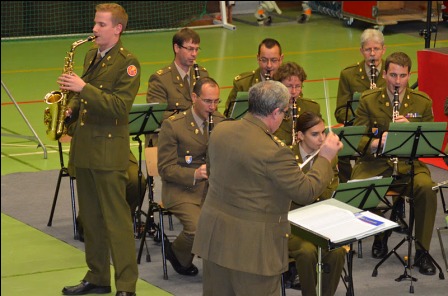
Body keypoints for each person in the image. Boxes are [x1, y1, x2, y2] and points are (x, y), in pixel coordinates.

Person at [192, 81, 343, 295]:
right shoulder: (275, 152)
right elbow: (306, 191)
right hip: (254, 250)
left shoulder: (221, 130)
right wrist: (326, 158)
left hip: (215, 238)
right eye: (284, 112)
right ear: (274, 113)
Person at [57, 3, 140, 296]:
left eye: (101, 25)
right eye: (95, 23)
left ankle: (127, 285)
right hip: (85, 149)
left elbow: (119, 107)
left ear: (117, 29)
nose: (94, 29)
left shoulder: (128, 63)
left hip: (108, 152)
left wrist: (83, 89)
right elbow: (85, 99)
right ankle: (98, 277)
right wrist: (71, 108)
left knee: (116, 223)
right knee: (91, 220)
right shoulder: (92, 54)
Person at [352, 52, 437, 275]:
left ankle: (422, 251)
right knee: (356, 188)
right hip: (376, 162)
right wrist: (378, 142)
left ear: (410, 75)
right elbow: (357, 139)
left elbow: (430, 144)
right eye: (392, 75)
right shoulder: (368, 100)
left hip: (409, 164)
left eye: (402, 76)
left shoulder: (422, 101)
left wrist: (412, 132)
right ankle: (380, 234)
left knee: (426, 188)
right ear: (384, 74)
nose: (397, 81)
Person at [157, 77, 225, 276]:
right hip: (181, 190)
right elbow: (165, 168)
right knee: (197, 228)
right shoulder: (174, 126)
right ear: (194, 97)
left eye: (216, 101)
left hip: (214, 191)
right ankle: (177, 253)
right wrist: (194, 174)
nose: (212, 107)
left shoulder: (221, 122)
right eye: (207, 101)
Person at [287, 111, 346, 295]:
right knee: (307, 251)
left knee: (337, 252)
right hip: (291, 224)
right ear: (300, 136)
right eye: (315, 134)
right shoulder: (288, 158)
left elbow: (332, 191)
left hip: (321, 221)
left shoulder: (329, 157)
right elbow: (290, 197)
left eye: (323, 132)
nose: (322, 139)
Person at [334, 28, 387, 184]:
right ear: (361, 51)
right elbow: (340, 112)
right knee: (341, 152)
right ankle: (349, 185)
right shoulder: (348, 75)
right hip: (359, 130)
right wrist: (362, 116)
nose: (372, 53)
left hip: (384, 129)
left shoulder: (392, 72)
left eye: (376, 49)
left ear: (383, 50)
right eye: (368, 49)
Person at [145, 27, 208, 147]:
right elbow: (158, 117)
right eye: (189, 49)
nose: (194, 54)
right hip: (172, 140)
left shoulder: (202, 74)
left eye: (196, 49)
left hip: (198, 138)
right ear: (176, 48)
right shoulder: (160, 79)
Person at [76, 151, 147, 242]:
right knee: (104, 181)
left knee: (137, 182)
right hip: (90, 153)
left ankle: (123, 222)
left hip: (120, 151)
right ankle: (90, 223)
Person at [223, 38, 284, 117]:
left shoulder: (289, 83)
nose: (269, 65)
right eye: (264, 60)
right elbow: (230, 116)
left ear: (281, 59)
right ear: (258, 58)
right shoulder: (242, 84)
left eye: (274, 60)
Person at [273, 61, 321, 145]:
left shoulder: (312, 108)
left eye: (298, 86)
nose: (294, 91)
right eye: (289, 86)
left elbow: (320, 138)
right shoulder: (270, 111)